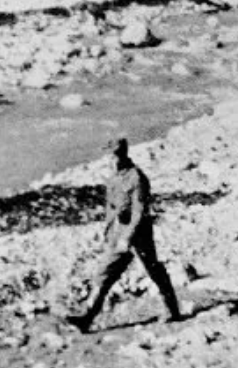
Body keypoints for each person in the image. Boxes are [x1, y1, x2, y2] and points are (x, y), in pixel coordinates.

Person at [66, 137, 183, 333]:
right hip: (118, 230)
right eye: (109, 157)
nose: (110, 161)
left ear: (122, 156)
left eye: (113, 157)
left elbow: (139, 210)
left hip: (138, 233)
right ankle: (87, 317)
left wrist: (127, 237)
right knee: (104, 273)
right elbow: (111, 208)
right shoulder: (114, 177)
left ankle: (172, 310)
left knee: (153, 269)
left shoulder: (136, 178)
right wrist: (108, 232)